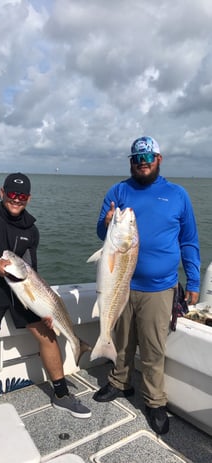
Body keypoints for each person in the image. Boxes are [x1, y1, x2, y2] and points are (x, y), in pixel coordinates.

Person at [0, 172, 91, 419]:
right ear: (2, 193)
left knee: (49, 335)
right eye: (12, 194)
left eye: (22, 196)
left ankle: (62, 394)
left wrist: (47, 310)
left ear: (28, 198)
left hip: (23, 290)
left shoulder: (31, 230)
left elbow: (33, 271)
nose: (16, 200)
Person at [93, 136, 200, 434]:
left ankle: (155, 401)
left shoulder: (178, 195)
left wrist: (193, 279)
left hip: (160, 288)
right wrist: (108, 221)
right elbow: (101, 232)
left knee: (153, 349)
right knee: (123, 341)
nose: (142, 164)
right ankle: (119, 382)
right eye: (137, 159)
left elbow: (189, 240)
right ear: (130, 161)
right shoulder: (118, 190)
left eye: (148, 158)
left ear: (159, 159)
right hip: (121, 285)